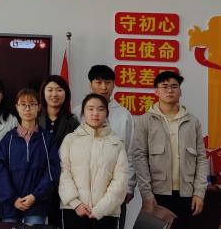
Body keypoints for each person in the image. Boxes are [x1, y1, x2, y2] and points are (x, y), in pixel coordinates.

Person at [131, 71, 208, 229]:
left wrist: (199, 193)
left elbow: (201, 158)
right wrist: (146, 194)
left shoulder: (192, 121)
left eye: (174, 86)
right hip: (158, 193)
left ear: (180, 91)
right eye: (164, 86)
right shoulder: (146, 120)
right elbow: (139, 157)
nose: (170, 90)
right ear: (156, 91)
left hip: (186, 194)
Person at [59, 94, 129, 229]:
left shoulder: (116, 143)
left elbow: (121, 180)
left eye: (100, 109)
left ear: (107, 113)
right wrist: (76, 203)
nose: (95, 113)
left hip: (106, 213)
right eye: (90, 109)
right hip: (73, 210)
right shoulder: (70, 140)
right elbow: (63, 172)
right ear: (83, 112)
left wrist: (101, 209)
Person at [0, 88, 59, 225]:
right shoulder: (8, 139)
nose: (27, 108)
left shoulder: (46, 138)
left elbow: (53, 170)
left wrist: (35, 196)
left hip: (37, 204)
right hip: (11, 205)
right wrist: (12, 198)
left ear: (39, 107)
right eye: (23, 104)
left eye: (32, 104)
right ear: (17, 107)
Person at [86, 65, 135, 228]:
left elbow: (131, 152)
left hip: (114, 189)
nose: (103, 87)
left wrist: (129, 186)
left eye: (107, 82)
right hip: (84, 191)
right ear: (90, 84)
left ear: (114, 85)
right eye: (98, 82)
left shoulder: (124, 115)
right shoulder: (78, 112)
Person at [38, 75, 79, 227]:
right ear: (43, 93)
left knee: (57, 223)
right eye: (50, 90)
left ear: (66, 94)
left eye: (59, 90)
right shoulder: (33, 119)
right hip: (37, 179)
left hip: (62, 180)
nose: (54, 94)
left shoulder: (73, 122)